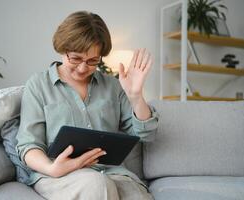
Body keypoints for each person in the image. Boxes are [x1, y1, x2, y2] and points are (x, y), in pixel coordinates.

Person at [16, 10, 158, 200]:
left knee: (136, 195)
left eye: (93, 61)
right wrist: (52, 168)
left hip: (112, 172)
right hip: (59, 175)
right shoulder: (39, 85)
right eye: (75, 58)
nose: (83, 68)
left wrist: (136, 96)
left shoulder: (113, 86)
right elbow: (28, 144)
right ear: (61, 49)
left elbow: (146, 135)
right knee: (97, 186)